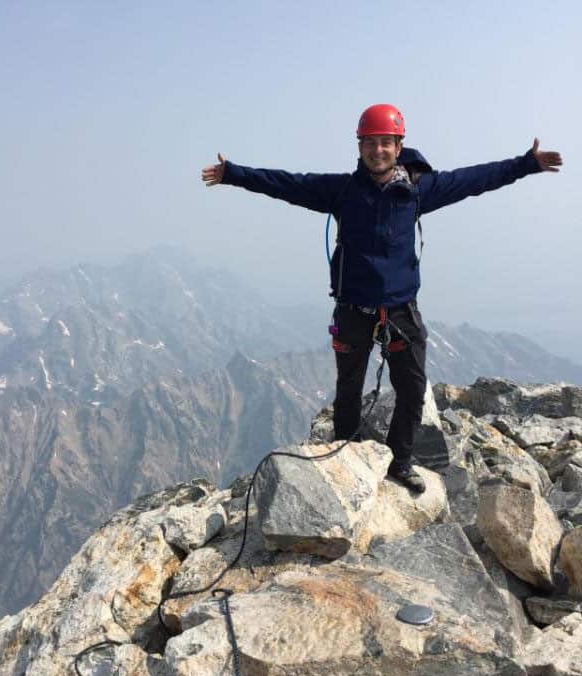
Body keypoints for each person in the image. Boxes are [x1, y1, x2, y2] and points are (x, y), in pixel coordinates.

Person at [201, 104, 562, 492]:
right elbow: (286, 183)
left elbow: (475, 179)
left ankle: (399, 461)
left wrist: (527, 164)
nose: (378, 150)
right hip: (353, 308)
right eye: (370, 143)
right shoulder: (340, 191)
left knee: (412, 389)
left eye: (385, 143)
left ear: (398, 145)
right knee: (348, 389)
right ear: (359, 147)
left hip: (401, 310)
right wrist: (233, 174)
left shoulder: (419, 191)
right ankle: (345, 457)